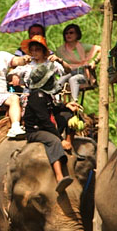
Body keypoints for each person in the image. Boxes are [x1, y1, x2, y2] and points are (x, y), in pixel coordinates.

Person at [22, 62, 81, 194]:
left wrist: (67, 106)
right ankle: (59, 177)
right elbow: (45, 121)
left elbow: (54, 108)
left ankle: (70, 145)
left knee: (68, 116)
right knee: (53, 141)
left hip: (46, 126)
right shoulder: (36, 96)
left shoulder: (46, 94)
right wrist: (60, 139)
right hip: (37, 130)